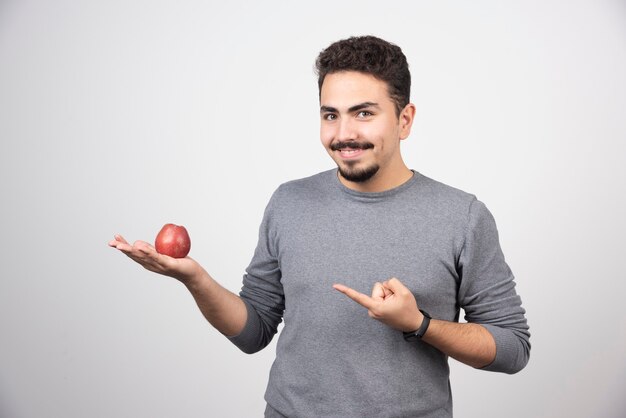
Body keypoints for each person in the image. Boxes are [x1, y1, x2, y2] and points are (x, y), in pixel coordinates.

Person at [109, 35, 530, 418]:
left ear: (404, 120)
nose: (344, 134)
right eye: (331, 115)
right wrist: (194, 278)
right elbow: (254, 330)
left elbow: (512, 348)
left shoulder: (462, 216)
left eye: (364, 113)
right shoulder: (288, 202)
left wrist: (419, 324)